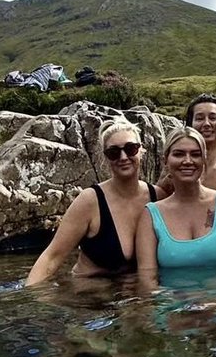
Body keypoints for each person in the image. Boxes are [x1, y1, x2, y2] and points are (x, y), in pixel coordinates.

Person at [25, 119, 156, 285]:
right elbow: (52, 256)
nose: (123, 157)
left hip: (130, 295)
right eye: (113, 152)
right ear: (105, 157)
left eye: (130, 149)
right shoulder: (90, 201)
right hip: (87, 296)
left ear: (141, 151)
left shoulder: (157, 196)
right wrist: (34, 299)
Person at [136, 127, 216, 286]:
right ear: (166, 160)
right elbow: (147, 279)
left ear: (204, 160)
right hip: (173, 306)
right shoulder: (151, 215)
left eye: (195, 154)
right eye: (179, 154)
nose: (187, 161)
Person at [156, 93, 216, 196]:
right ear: (190, 123)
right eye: (199, 118)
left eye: (213, 118)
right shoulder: (175, 168)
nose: (207, 124)